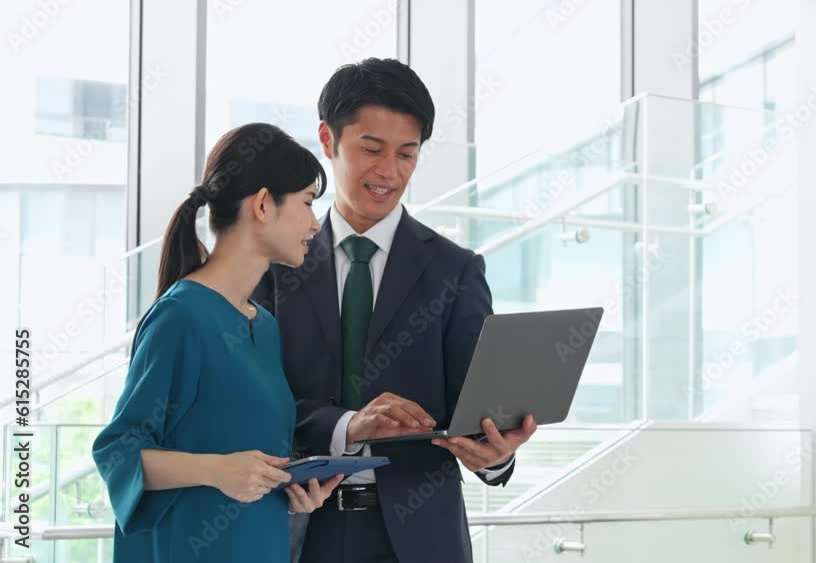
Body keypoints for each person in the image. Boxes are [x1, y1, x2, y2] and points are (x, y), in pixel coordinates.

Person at [252, 58, 537, 563]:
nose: (389, 171)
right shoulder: (274, 265)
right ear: (327, 140)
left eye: (407, 154)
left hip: (420, 537)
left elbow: (472, 405)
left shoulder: (455, 270)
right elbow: (256, 404)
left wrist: (496, 454)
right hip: (299, 527)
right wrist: (346, 425)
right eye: (372, 149)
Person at [92, 123, 343, 563]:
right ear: (262, 205)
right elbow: (118, 452)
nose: (313, 223)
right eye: (307, 203)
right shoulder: (181, 317)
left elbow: (245, 455)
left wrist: (292, 487)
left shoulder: (263, 325)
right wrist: (218, 469)